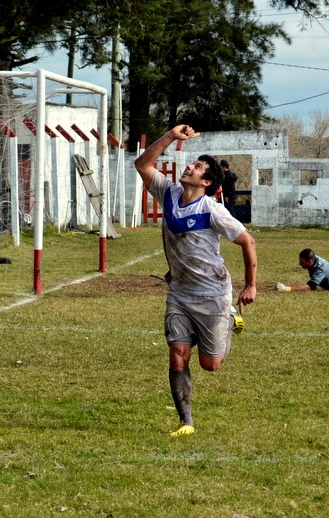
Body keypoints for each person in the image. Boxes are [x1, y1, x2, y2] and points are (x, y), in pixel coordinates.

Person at [134, 124, 257, 437]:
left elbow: (248, 242)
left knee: (210, 365)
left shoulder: (213, 210)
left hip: (214, 296)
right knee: (177, 354)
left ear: (206, 182)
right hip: (179, 293)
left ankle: (230, 317)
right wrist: (171, 136)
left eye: (197, 166)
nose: (188, 166)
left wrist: (251, 285)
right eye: (191, 163)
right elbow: (143, 164)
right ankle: (186, 422)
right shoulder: (170, 194)